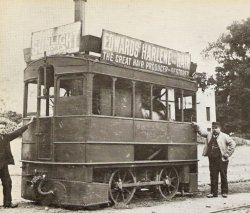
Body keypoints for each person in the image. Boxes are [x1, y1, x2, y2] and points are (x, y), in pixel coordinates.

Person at [192, 121, 236, 198]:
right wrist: (197, 126)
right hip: (212, 159)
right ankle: (213, 193)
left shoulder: (224, 136)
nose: (214, 129)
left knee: (223, 175)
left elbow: (233, 144)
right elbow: (201, 133)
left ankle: (224, 192)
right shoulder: (209, 135)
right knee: (213, 175)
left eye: (216, 128)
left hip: (222, 159)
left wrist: (227, 154)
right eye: (213, 128)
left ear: (220, 128)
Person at [0, 116, 34, 208]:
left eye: (4, 128)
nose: (2, 130)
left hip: (3, 166)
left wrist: (28, 124)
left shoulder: (6, 137)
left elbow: (17, 133)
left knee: (7, 183)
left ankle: (7, 203)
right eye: (1, 128)